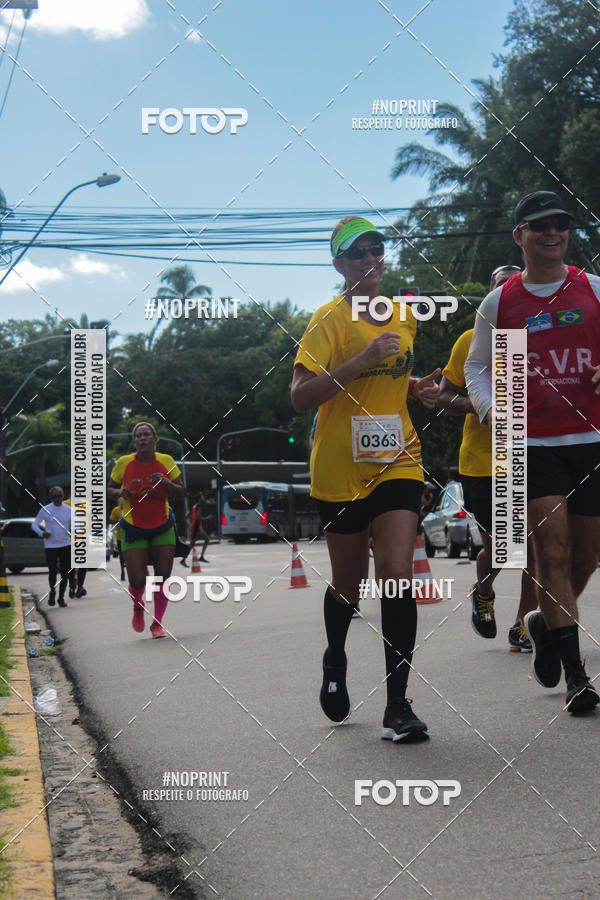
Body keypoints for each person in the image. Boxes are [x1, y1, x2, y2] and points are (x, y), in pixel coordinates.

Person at [291, 215, 440, 741]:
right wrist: (360, 360)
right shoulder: (327, 319)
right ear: (339, 264)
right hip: (341, 467)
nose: (370, 259)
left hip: (398, 457)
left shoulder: (404, 315)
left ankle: (398, 704)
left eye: (376, 249)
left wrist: (416, 386)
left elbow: (390, 377)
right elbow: (301, 396)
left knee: (397, 572)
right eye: (358, 253)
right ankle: (335, 657)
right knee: (349, 587)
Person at [465, 190, 600, 713]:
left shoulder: (592, 289)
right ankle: (576, 678)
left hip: (590, 439)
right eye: (540, 225)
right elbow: (477, 367)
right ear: (519, 235)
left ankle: (545, 623)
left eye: (560, 223)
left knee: (587, 556)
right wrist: (491, 411)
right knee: (553, 553)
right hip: (531, 442)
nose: (552, 233)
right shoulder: (502, 302)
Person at [438, 265, 537, 651]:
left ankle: (524, 625)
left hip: (529, 456)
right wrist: (481, 406)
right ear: (490, 297)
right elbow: (444, 396)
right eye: (500, 287)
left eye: (514, 285)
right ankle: (483, 590)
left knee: (532, 548)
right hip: (482, 462)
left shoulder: (537, 336)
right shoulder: (470, 340)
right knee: (503, 550)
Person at [108, 422, 184, 638]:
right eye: (138, 435)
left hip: (163, 526)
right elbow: (109, 489)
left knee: (162, 578)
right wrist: (120, 492)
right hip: (133, 527)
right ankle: (138, 605)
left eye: (147, 434)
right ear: (134, 441)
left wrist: (166, 483)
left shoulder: (166, 461)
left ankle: (157, 623)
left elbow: (180, 491)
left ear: (155, 439)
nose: (142, 438)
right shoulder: (124, 463)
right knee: (137, 580)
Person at [31, 486, 72, 607]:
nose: (57, 499)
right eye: (54, 497)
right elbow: (34, 525)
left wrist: (73, 530)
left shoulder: (69, 510)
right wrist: (42, 533)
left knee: (65, 572)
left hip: (65, 544)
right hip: (50, 546)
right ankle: (52, 591)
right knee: (52, 571)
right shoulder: (46, 509)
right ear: (51, 497)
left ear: (63, 496)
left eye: (59, 496)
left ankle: (61, 598)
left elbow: (78, 525)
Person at [187, 493, 210, 563]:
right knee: (206, 539)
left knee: (192, 544)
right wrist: (207, 518)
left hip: (194, 526)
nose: (203, 498)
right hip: (196, 527)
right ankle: (201, 556)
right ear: (199, 499)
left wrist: (192, 517)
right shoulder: (199, 506)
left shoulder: (194, 506)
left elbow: (188, 516)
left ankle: (184, 559)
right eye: (202, 497)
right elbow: (198, 517)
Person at [109, 501, 126, 581]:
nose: (122, 502)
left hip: (131, 536)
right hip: (120, 537)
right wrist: (118, 521)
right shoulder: (116, 510)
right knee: (122, 556)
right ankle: (123, 572)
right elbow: (111, 520)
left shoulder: (130, 508)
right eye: (120, 501)